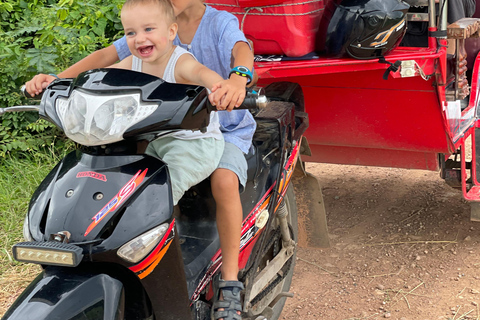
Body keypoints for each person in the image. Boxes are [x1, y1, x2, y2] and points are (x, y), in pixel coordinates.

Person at [25, 0, 256, 318]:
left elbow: (236, 52)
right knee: (124, 179)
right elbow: (103, 64)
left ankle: (230, 281)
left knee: (221, 181)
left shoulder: (213, 26)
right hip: (160, 131)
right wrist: (57, 80)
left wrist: (232, 82)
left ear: (170, 31)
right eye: (133, 32)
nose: (140, 35)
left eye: (146, 30)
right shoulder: (147, 30)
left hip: (219, 128)